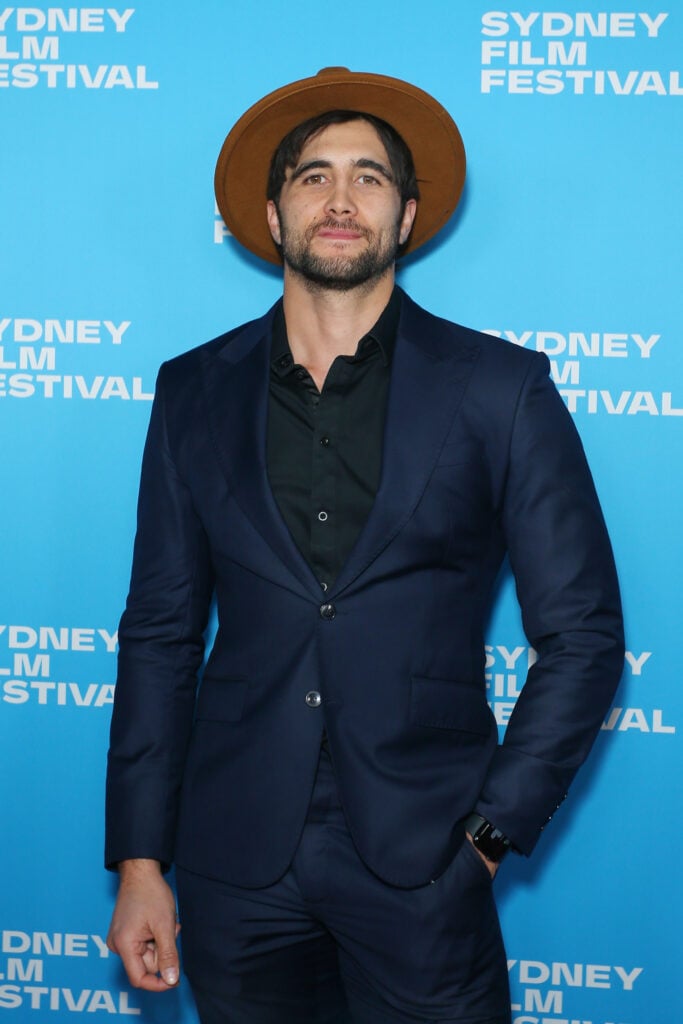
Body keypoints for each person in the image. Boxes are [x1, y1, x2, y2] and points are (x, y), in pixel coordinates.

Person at [105, 68, 624, 1024]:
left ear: (406, 214)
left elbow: (584, 633)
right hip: (234, 860)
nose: (339, 199)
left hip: (425, 858)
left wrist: (490, 832)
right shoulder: (192, 392)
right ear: (271, 214)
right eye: (312, 176)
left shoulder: (499, 389)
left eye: (368, 178)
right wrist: (141, 862)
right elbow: (160, 632)